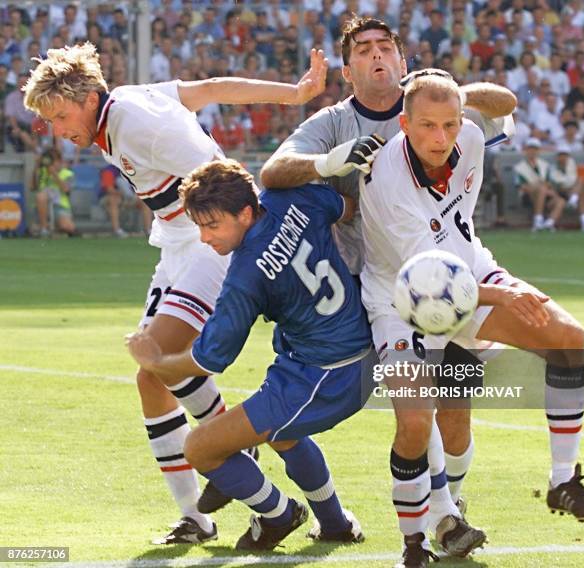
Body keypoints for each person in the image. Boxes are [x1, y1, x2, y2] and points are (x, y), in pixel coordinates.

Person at [23, 41, 327, 545]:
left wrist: (254, 243)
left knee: (157, 359)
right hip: (177, 242)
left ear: (87, 97)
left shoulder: (135, 122)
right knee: (152, 380)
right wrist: (292, 94)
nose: (56, 130)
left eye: (59, 115)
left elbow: (224, 179)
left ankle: (266, 499)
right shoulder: (124, 103)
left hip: (209, 241)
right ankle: (197, 516)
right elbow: (208, 90)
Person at [261, 16, 489, 555]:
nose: (377, 55)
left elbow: (497, 116)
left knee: (455, 412)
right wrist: (324, 162)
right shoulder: (333, 122)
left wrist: (471, 96)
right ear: (347, 70)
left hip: (450, 277)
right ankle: (441, 519)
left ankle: (450, 505)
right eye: (363, 50)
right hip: (376, 284)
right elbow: (272, 171)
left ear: (404, 63)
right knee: (417, 404)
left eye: (386, 47)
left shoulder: (435, 109)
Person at [359, 69, 584, 566]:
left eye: (449, 124)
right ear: (403, 124)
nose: (441, 138)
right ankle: (419, 541)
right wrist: (503, 299)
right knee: (416, 417)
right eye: (427, 125)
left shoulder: (467, 133)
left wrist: (454, 97)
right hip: (405, 301)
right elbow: (430, 286)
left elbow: (506, 100)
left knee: (568, 339)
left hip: (472, 273)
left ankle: (562, 482)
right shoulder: (388, 182)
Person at [126, 158, 372, 550]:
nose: (205, 239)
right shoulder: (292, 198)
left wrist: (156, 362)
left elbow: (209, 359)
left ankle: (278, 514)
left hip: (326, 374)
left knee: (199, 447)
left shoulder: (245, 274)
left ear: (245, 212)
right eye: (199, 227)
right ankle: (336, 524)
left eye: (212, 225)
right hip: (346, 350)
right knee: (283, 435)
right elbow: (348, 207)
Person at [513, 138, 565, 231]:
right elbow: (521, 186)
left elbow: (549, 183)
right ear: (526, 150)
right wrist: (539, 188)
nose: (532, 151)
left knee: (560, 201)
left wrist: (547, 191)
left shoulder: (545, 165)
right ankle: (538, 219)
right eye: (530, 149)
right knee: (541, 189)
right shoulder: (519, 167)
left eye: (535, 149)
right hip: (527, 195)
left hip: (545, 193)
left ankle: (549, 223)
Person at [32, 147, 78, 237]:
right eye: (51, 160)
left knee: (69, 228)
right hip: (43, 207)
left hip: (60, 206)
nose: (52, 163)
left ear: (60, 161)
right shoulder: (42, 172)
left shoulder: (67, 173)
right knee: (41, 196)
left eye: (54, 160)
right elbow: (32, 187)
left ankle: (51, 228)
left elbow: (66, 190)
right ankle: (44, 229)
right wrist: (36, 166)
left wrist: (54, 174)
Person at [99, 164, 152, 237]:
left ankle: (148, 230)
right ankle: (117, 230)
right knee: (114, 199)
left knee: (145, 201)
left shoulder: (131, 170)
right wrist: (122, 193)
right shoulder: (109, 170)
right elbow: (109, 189)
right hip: (110, 198)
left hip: (129, 198)